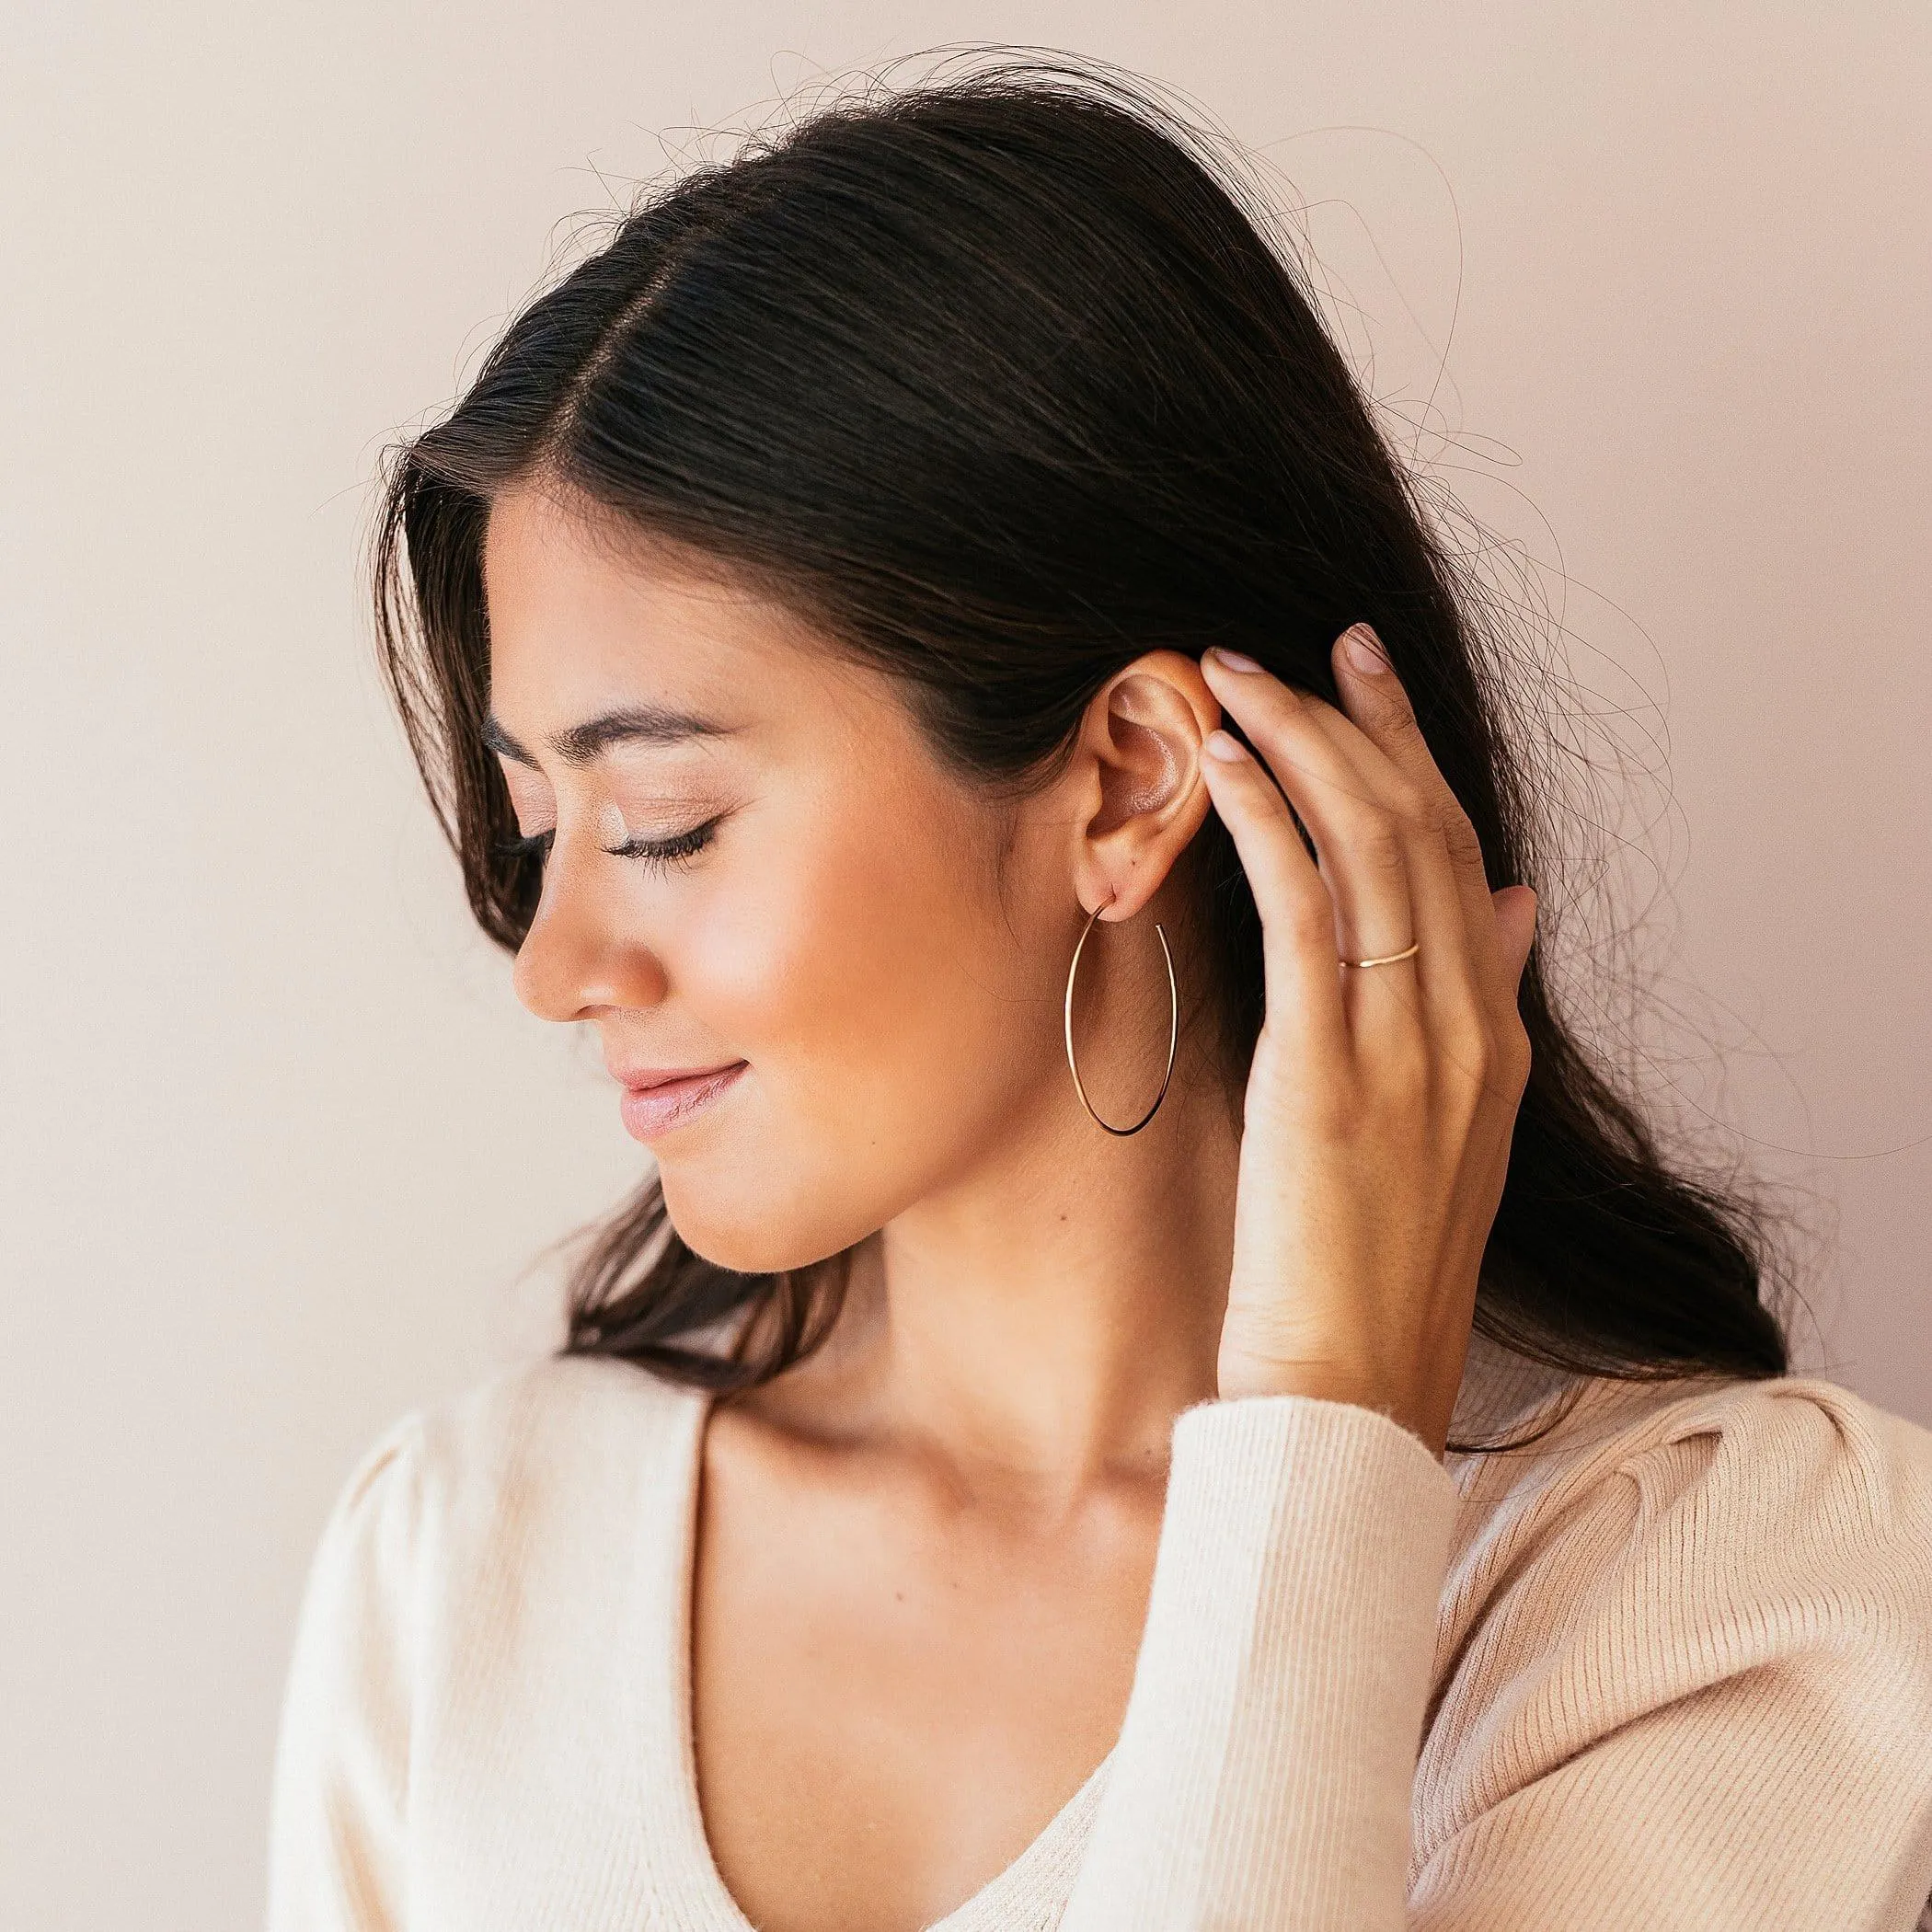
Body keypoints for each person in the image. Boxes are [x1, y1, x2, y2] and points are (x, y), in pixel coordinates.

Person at [265, 55, 1932, 1932]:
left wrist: (1319, 1444)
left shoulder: (1712, 1596)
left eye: (663, 823)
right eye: (535, 820)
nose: (557, 967)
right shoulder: (465, 1562)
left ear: (1131, 776)